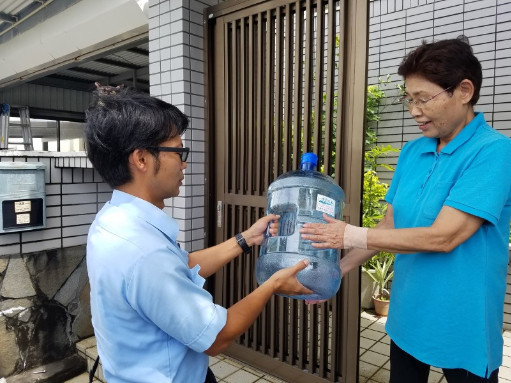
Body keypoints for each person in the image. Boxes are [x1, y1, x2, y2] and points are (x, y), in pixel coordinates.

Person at [300, 36, 511, 382]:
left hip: (463, 320)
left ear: (465, 90)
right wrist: (335, 273)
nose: (414, 110)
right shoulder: (413, 153)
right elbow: (388, 228)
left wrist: (347, 233)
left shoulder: (493, 152)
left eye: (423, 98)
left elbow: (446, 236)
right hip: (409, 312)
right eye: (409, 99)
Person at [84, 85, 312, 383]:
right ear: (140, 159)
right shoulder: (143, 250)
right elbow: (217, 336)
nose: (184, 162)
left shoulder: (111, 220)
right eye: (178, 151)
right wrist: (273, 284)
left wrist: (246, 238)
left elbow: (180, 266)